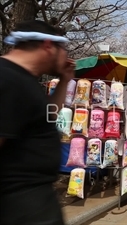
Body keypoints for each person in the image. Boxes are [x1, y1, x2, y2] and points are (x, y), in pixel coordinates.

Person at [0, 20, 74, 225]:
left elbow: (49, 116)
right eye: (64, 49)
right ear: (48, 45)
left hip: (36, 205)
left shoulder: (27, 80)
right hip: (18, 208)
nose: (67, 56)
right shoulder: (7, 78)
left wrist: (65, 81)